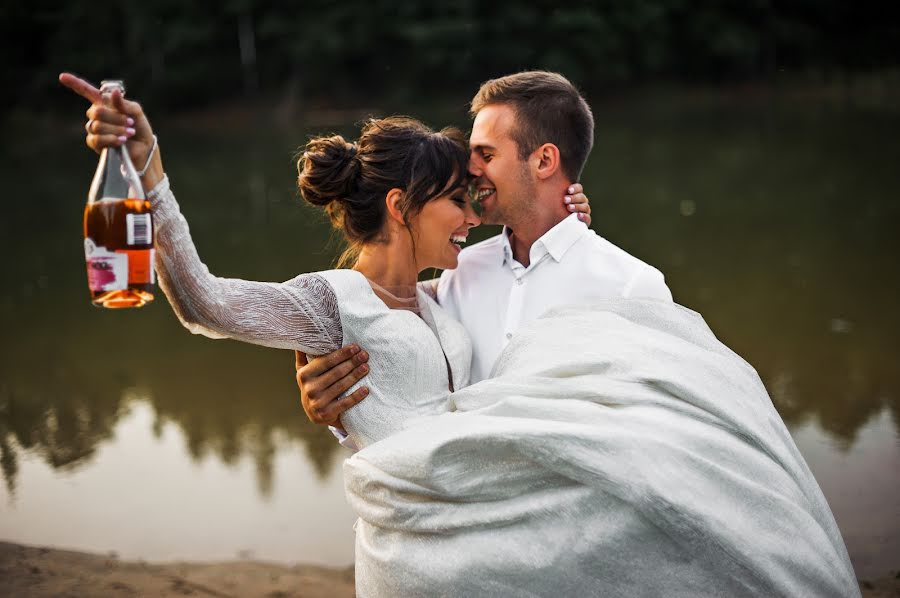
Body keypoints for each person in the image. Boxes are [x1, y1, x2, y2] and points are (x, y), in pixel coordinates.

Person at [61, 72, 859, 597]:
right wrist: (151, 170)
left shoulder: (484, 291)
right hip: (428, 550)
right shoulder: (353, 296)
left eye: (482, 169)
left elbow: (626, 401)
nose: (473, 203)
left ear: (544, 163)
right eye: (458, 193)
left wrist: (577, 231)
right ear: (405, 208)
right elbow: (205, 303)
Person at [298, 71, 672, 445]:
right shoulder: (459, 271)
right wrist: (338, 410)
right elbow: (385, 327)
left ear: (544, 161)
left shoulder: (630, 286)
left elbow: (661, 434)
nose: (471, 169)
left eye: (486, 154)